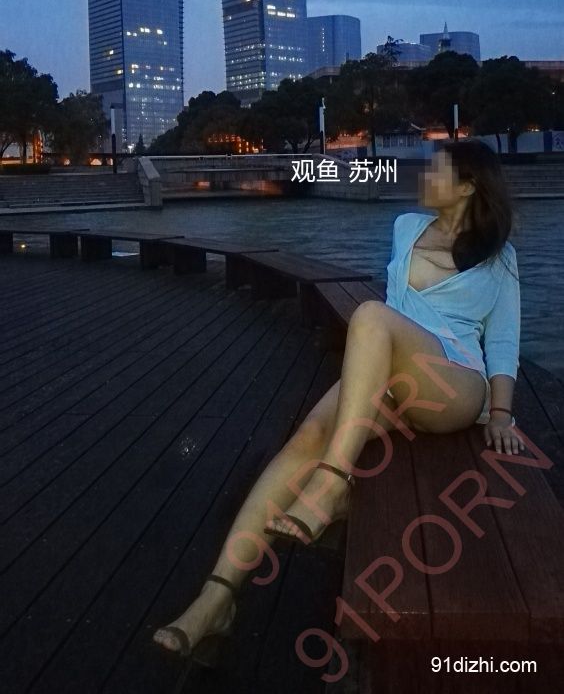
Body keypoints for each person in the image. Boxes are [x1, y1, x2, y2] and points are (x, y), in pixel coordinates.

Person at [152, 137, 525, 665]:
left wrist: (502, 414)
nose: (423, 176)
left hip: (453, 383)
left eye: (436, 169)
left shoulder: (500, 258)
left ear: (467, 186)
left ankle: (331, 485)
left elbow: (503, 341)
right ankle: (216, 598)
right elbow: (400, 309)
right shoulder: (406, 228)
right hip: (390, 371)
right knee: (308, 436)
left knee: (369, 316)